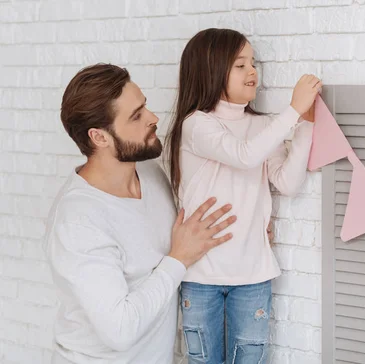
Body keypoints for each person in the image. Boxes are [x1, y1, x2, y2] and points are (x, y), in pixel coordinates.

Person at [44, 63, 237, 364]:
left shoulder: (148, 172)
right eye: (136, 116)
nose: (153, 118)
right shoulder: (79, 221)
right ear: (99, 137)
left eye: (144, 106)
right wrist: (179, 258)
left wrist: (248, 231)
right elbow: (120, 330)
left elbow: (186, 239)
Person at [165, 28, 321, 364]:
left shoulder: (263, 126)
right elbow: (244, 155)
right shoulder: (196, 125)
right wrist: (292, 112)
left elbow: (288, 182)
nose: (253, 71)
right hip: (201, 277)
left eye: (253, 63)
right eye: (240, 65)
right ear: (211, 70)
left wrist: (306, 123)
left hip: (253, 277)